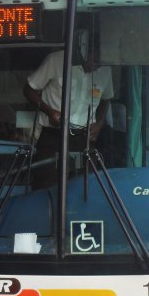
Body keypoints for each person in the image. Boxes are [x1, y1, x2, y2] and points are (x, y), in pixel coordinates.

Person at [23, 31, 113, 186]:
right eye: (94, 60)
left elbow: (106, 100)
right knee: (46, 189)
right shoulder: (56, 61)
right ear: (83, 51)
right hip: (53, 137)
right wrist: (49, 112)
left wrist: (99, 123)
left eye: (100, 61)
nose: (97, 65)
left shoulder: (106, 70)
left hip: (84, 139)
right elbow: (28, 90)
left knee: (88, 188)